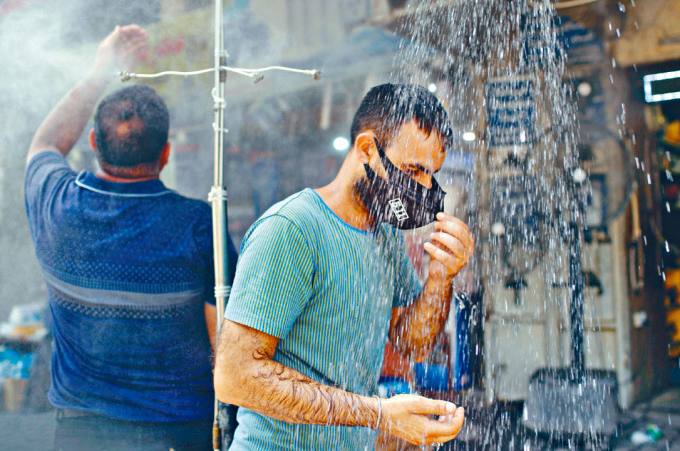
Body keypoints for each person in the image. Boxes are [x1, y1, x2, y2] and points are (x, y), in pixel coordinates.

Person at [214, 83, 474, 449]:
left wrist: (440, 278)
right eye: (414, 170)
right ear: (367, 149)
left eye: (431, 175)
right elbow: (235, 377)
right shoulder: (291, 231)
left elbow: (412, 344)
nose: (424, 187)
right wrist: (379, 414)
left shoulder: (384, 235)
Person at [24, 25, 238, 450]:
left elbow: (46, 141)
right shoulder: (199, 223)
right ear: (165, 153)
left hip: (80, 433)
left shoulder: (56, 204)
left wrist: (103, 68)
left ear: (92, 142)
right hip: (179, 433)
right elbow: (225, 345)